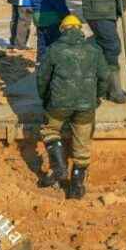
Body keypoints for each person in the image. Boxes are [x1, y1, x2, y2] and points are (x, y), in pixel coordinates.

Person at [36, 15, 110, 199]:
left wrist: (45, 99)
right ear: (80, 29)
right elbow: (105, 77)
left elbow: (42, 78)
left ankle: (59, 167)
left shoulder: (54, 49)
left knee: (50, 130)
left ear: (63, 30)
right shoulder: (94, 50)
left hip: (59, 104)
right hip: (86, 106)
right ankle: (76, 186)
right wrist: (96, 97)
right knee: (82, 145)